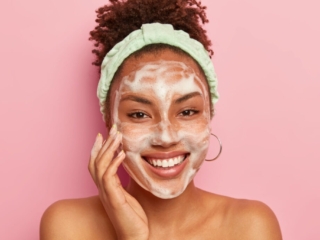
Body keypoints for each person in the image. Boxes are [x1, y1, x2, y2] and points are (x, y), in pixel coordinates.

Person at [40, 0, 282, 239]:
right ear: (110, 120)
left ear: (209, 114)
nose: (166, 137)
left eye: (187, 112)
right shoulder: (68, 226)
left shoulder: (250, 227)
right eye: (139, 114)